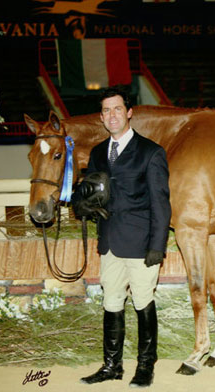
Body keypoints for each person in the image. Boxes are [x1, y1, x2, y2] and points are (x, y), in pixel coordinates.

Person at [72, 86, 171, 388]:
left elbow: (161, 204)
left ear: (129, 112)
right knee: (111, 302)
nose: (111, 115)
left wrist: (157, 246)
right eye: (106, 110)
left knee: (142, 302)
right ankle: (112, 366)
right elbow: (91, 192)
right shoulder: (99, 152)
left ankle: (145, 366)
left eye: (117, 109)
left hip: (141, 244)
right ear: (101, 117)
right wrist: (82, 204)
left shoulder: (151, 152)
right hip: (111, 242)